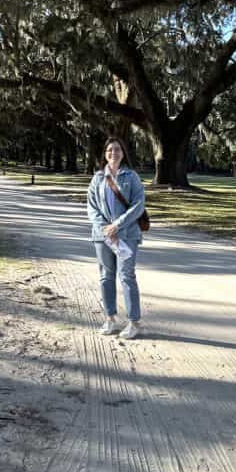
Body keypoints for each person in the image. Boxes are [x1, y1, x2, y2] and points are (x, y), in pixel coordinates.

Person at [87, 136, 146, 340]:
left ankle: (133, 322)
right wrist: (104, 228)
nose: (114, 153)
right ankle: (110, 318)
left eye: (118, 150)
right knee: (106, 276)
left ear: (123, 153)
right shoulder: (98, 178)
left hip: (127, 235)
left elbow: (139, 205)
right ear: (105, 154)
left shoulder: (132, 177)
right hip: (102, 236)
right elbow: (92, 207)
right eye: (110, 149)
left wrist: (117, 225)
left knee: (127, 276)